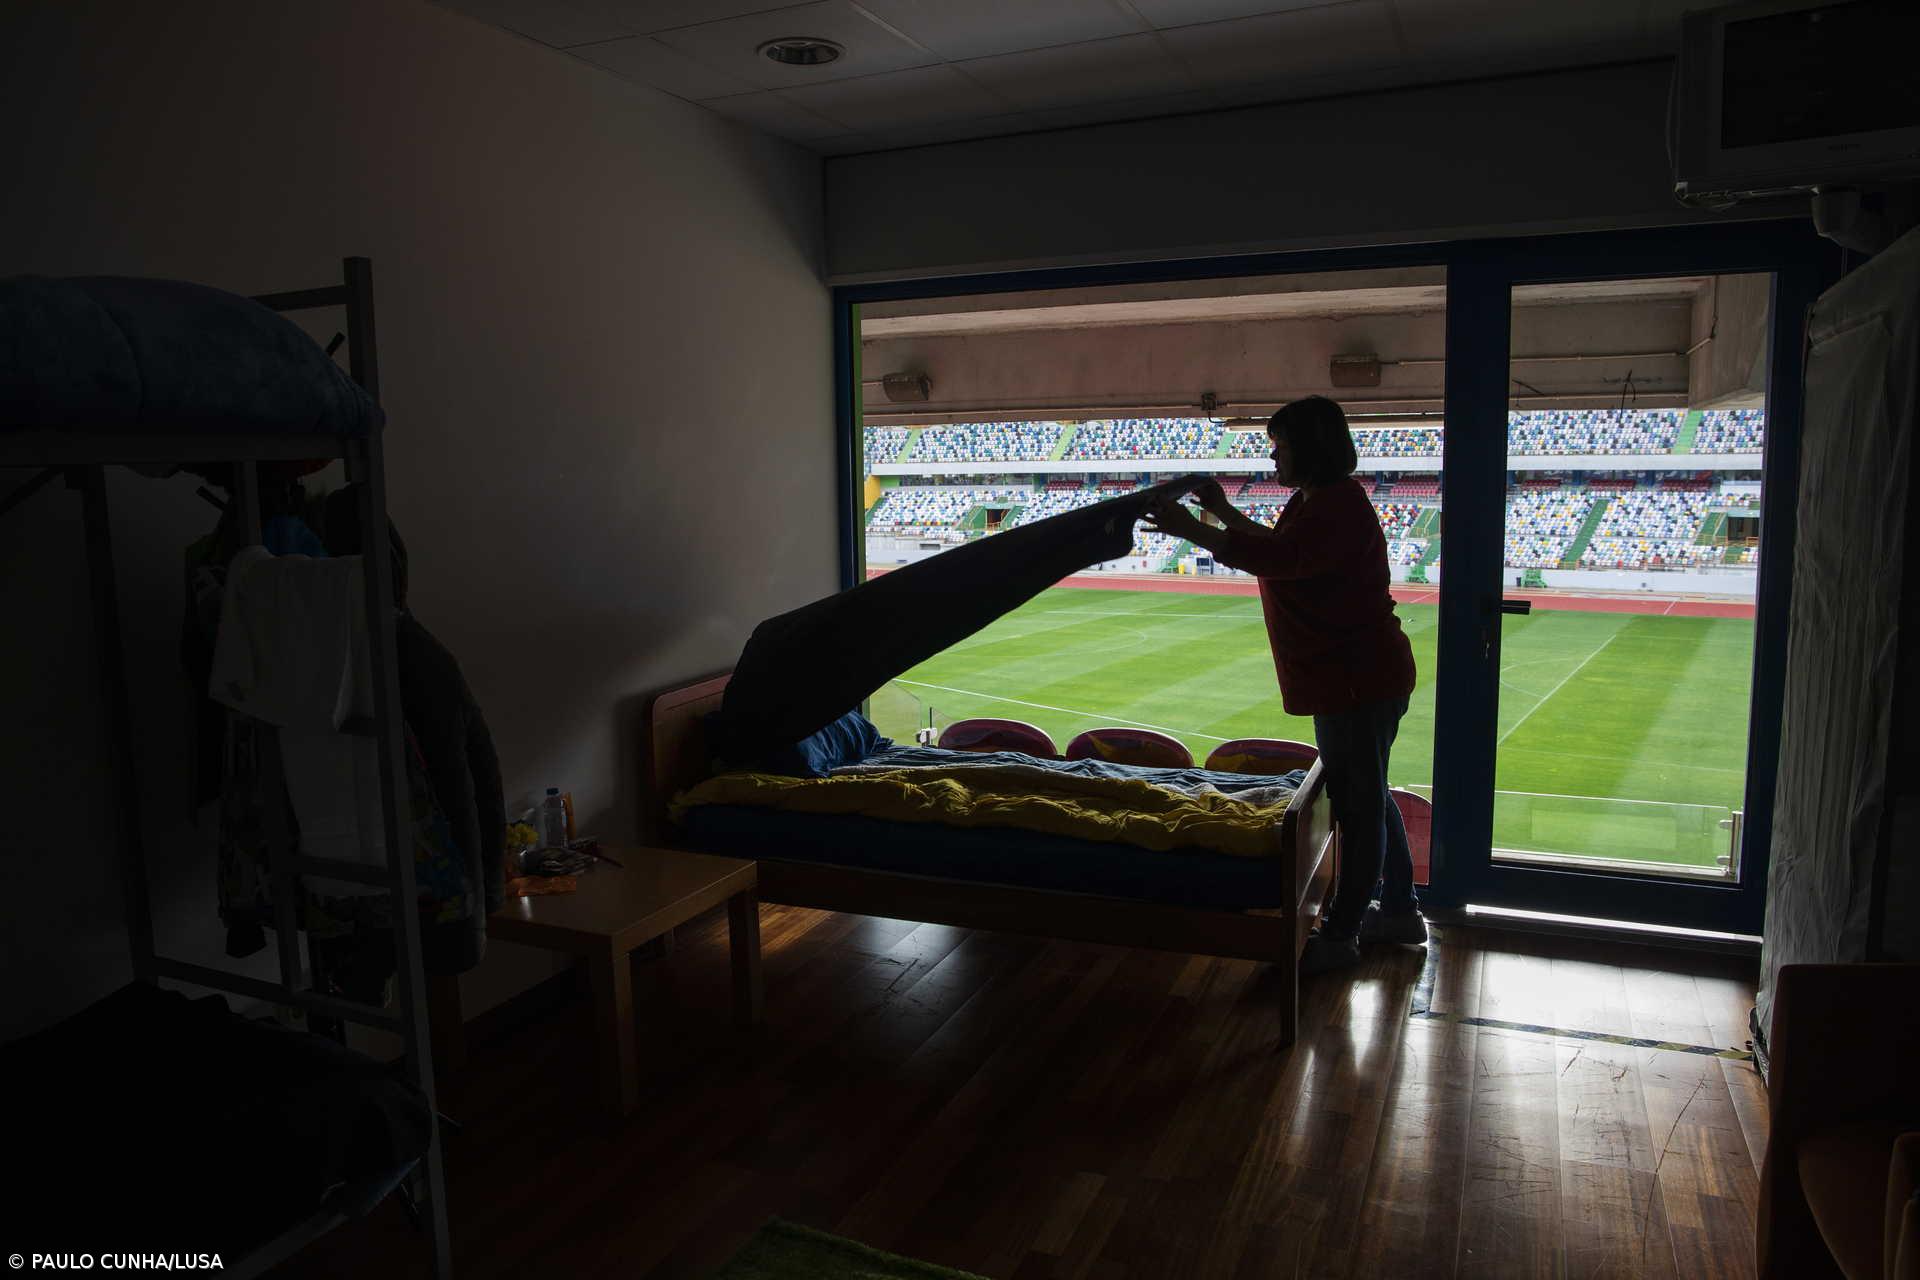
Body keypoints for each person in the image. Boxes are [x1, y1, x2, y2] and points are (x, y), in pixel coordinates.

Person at [1144, 396, 1424, 975]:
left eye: (1281, 445)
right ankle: (1399, 911)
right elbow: (1278, 548)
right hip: (1354, 676)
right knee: (1367, 792)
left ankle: (1343, 932)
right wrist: (1221, 509)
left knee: (1358, 802)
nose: (1273, 455)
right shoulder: (1318, 500)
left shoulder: (1336, 505)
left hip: (1354, 679)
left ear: (1310, 448)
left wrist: (1195, 528)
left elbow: (1280, 558)